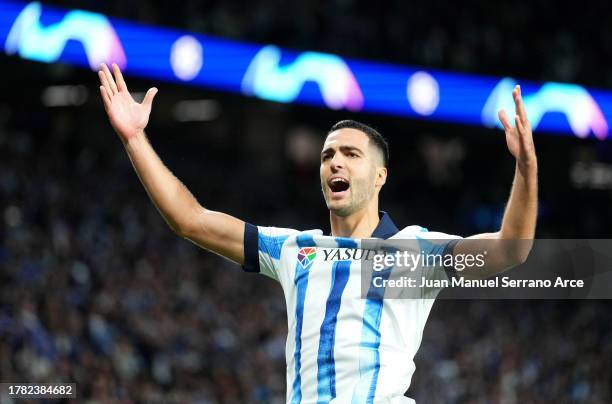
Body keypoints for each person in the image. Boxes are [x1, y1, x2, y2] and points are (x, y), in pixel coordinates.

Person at [97, 63, 537, 403]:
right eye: (328, 155)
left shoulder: (417, 250)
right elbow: (189, 219)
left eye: (350, 154)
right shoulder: (294, 249)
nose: (335, 163)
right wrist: (135, 139)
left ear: (381, 176)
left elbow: (509, 250)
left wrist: (526, 170)